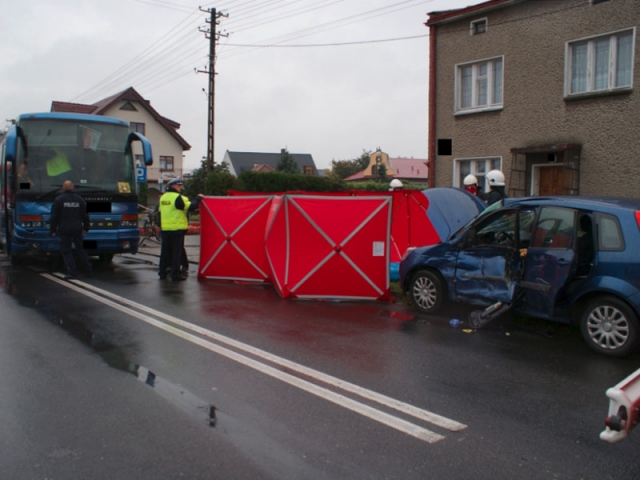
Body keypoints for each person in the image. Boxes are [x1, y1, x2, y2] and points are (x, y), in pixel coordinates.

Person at [158, 177, 204, 281]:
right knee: (176, 252)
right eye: (178, 186)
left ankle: (162, 273)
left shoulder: (163, 198)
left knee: (164, 252)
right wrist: (198, 198)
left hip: (165, 229)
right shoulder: (179, 198)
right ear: (173, 186)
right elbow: (191, 207)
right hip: (177, 229)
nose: (180, 188)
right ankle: (175, 274)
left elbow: (161, 212)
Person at [50, 180, 92, 279]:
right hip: (77, 228)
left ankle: (72, 272)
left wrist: (53, 230)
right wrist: (86, 228)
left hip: (65, 229)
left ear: (63, 188)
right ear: (72, 187)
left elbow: (54, 216)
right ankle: (88, 270)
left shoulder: (59, 200)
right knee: (80, 249)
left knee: (66, 251)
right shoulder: (80, 200)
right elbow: (85, 216)